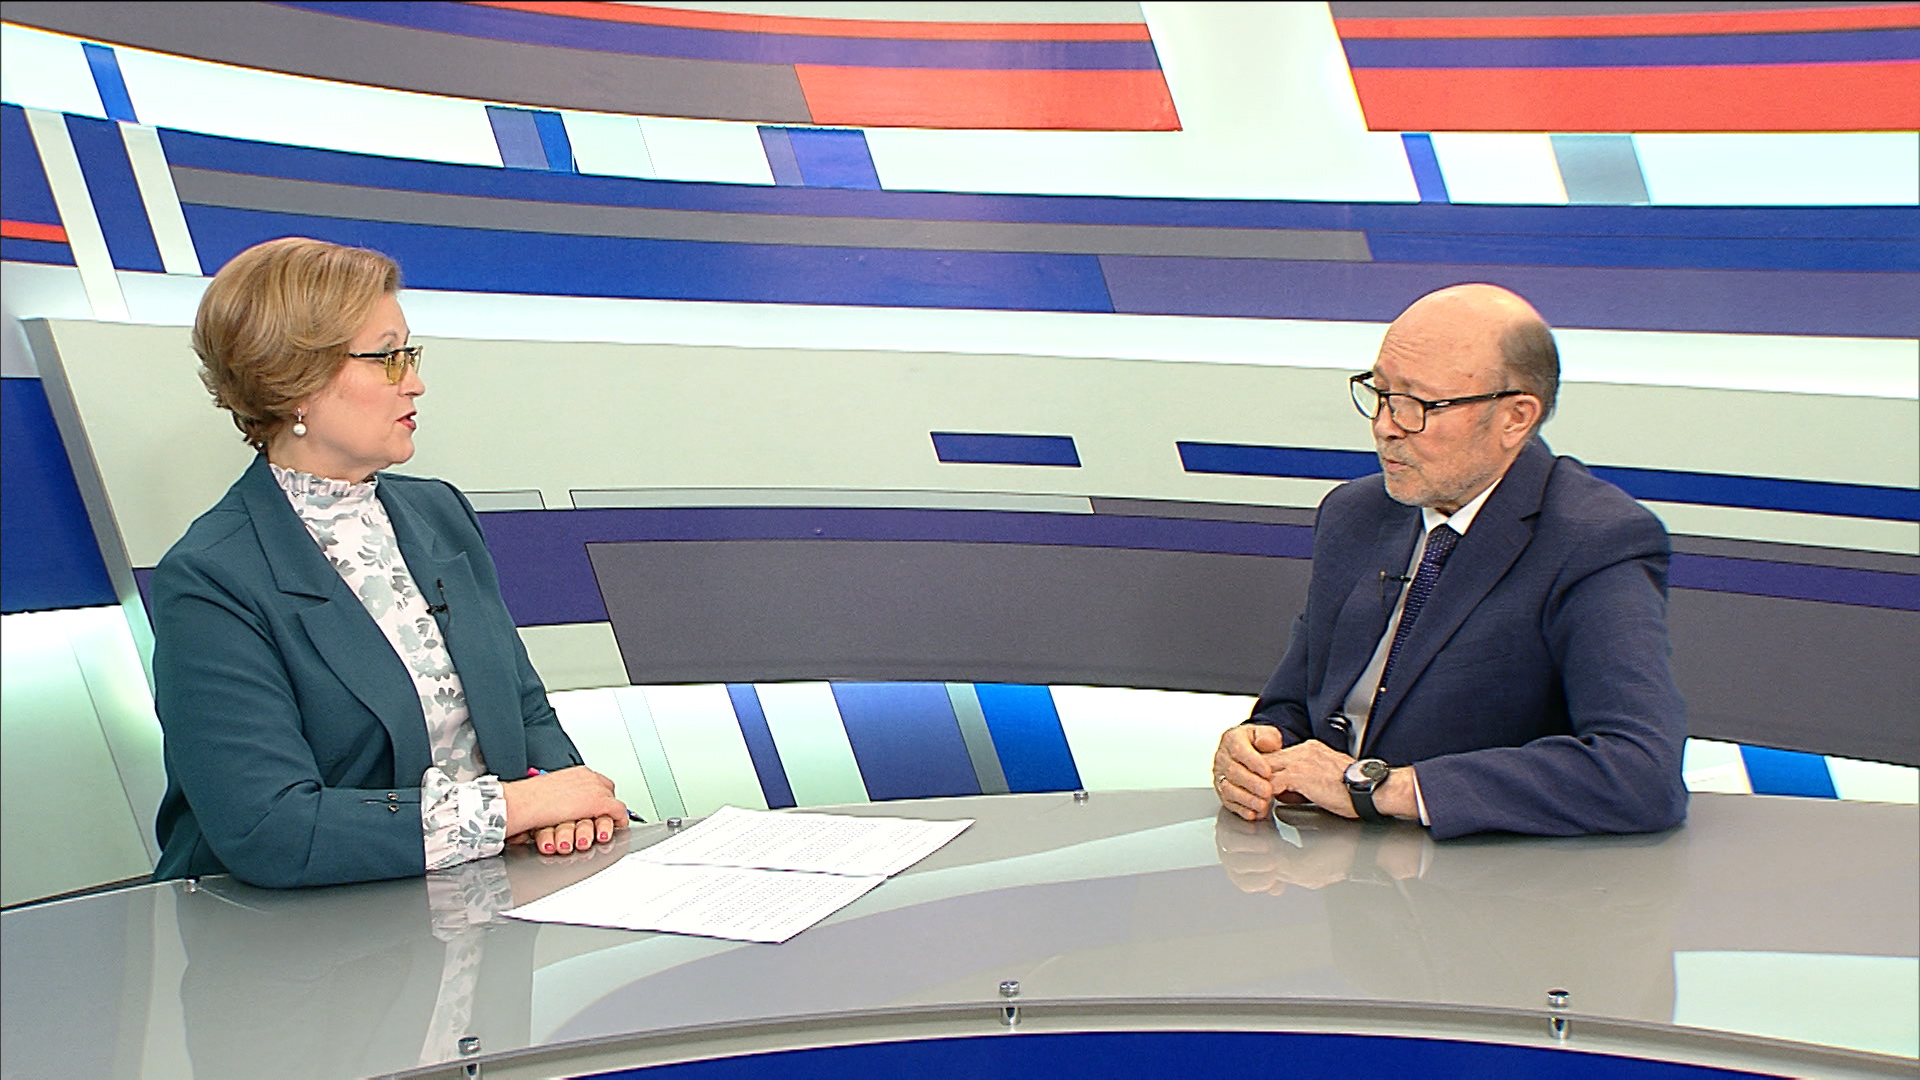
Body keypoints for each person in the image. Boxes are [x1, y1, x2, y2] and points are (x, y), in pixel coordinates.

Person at [151, 236, 629, 888]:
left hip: (482, 897)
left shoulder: (438, 512)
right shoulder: (211, 579)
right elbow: (269, 829)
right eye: (388, 358)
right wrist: (515, 809)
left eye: (410, 355)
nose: (415, 382)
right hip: (300, 936)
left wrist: (568, 802)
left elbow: (523, 709)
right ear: (296, 379)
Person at [1212, 283, 1687, 839]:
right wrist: (1260, 746)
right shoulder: (1355, 514)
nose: (1386, 425)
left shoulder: (1594, 539)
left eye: (1419, 404)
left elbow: (1640, 772)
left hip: (1489, 877)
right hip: (1329, 866)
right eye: (1381, 392)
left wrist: (1380, 788)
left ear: (1515, 418)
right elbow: (1296, 704)